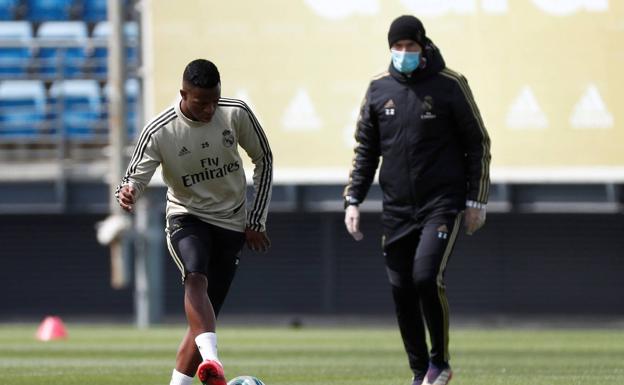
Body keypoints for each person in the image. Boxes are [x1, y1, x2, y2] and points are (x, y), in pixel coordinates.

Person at [343, 15, 491, 385]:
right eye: (398, 47)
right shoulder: (378, 89)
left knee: (425, 276)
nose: (404, 54)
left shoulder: (450, 85)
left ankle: (440, 362)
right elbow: (366, 149)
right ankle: (419, 371)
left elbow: (478, 143)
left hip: (441, 204)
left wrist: (477, 199)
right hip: (396, 209)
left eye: (410, 47)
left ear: (423, 46)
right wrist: (353, 199)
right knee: (401, 289)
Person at [115, 59, 273, 385]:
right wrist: (128, 191)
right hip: (187, 215)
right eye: (201, 102)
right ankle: (213, 361)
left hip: (231, 221)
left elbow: (264, 159)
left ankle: (188, 378)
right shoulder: (160, 130)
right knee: (195, 272)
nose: (209, 109)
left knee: (204, 320)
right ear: (183, 94)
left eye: (215, 100)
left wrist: (255, 219)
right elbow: (134, 178)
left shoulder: (236, 113)